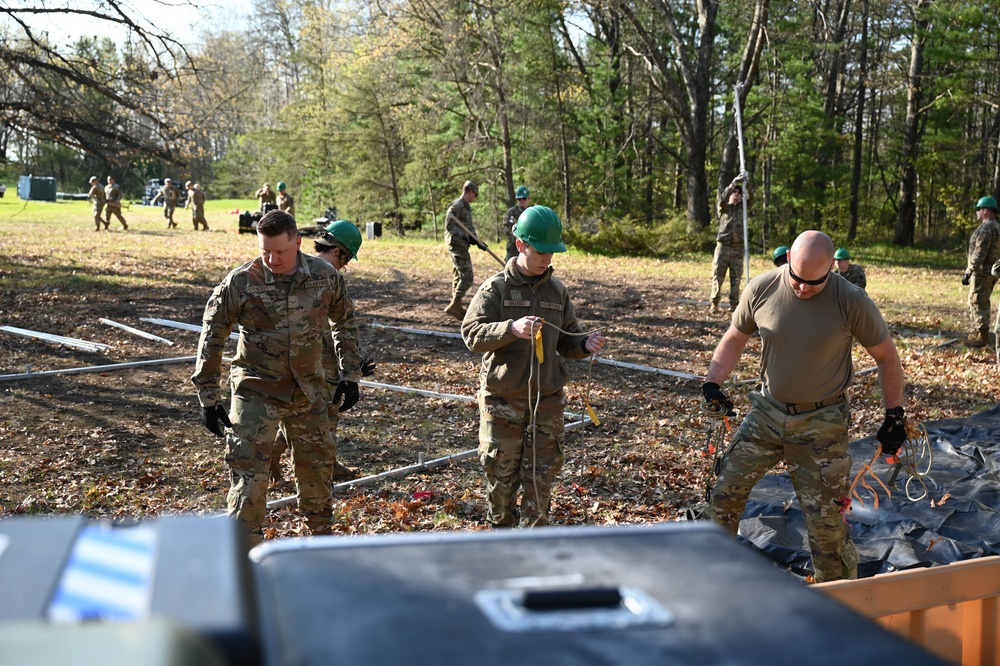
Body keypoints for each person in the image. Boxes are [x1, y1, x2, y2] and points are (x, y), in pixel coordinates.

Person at [701, 230, 906, 583]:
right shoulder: (763, 288)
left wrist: (894, 415)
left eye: (814, 282)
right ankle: (712, 578)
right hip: (767, 411)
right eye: (796, 278)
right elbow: (734, 337)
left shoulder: (851, 300)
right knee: (723, 496)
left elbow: (887, 357)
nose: (802, 288)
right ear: (788, 263)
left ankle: (838, 600)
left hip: (821, 421)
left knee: (825, 523)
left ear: (831, 270)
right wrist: (712, 382)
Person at [192, 209, 362, 546]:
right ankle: (246, 556)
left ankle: (322, 546)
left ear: (298, 243)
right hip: (256, 391)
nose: (272, 259)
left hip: (309, 392)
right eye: (264, 250)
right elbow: (212, 336)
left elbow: (345, 321)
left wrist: (350, 373)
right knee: (249, 481)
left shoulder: (325, 277)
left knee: (317, 474)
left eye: (281, 251)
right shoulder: (241, 282)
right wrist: (208, 397)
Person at [462, 205, 606, 528]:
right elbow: (471, 334)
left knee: (540, 489)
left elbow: (568, 339)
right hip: (503, 403)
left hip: (547, 404)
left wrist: (585, 345)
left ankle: (534, 551)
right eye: (541, 251)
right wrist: (510, 329)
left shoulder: (557, 292)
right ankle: (501, 546)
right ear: (520, 246)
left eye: (552, 252)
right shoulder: (495, 290)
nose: (547, 259)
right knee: (500, 486)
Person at [269, 219, 368, 484]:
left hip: (286, 362)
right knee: (323, 413)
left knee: (298, 412)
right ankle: (318, 466)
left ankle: (321, 460)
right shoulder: (328, 278)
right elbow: (340, 327)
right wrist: (349, 370)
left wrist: (354, 364)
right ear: (338, 252)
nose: (344, 265)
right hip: (318, 363)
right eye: (345, 259)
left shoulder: (294, 267)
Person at [444, 180, 486, 319]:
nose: (475, 197)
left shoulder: (466, 207)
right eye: (475, 194)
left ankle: (456, 304)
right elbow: (450, 227)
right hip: (456, 244)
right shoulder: (456, 206)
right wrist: (466, 237)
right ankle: (455, 303)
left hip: (462, 244)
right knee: (467, 276)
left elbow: (469, 228)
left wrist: (478, 241)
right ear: (469, 191)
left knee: (459, 274)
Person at [962, 196, 1000, 347]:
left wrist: (969, 271)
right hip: (993, 271)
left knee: (977, 300)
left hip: (982, 271)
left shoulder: (986, 229)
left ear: (985, 211)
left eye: (978, 209)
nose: (976, 212)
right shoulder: (997, 227)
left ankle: (982, 336)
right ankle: (979, 332)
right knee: (982, 300)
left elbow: (979, 252)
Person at [710, 174, 748, 312]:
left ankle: (734, 304)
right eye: (734, 192)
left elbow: (751, 198)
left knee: (736, 277)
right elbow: (723, 197)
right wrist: (733, 183)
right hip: (723, 246)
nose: (736, 194)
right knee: (718, 275)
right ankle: (714, 303)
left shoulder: (742, 209)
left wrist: (746, 184)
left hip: (738, 248)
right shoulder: (724, 207)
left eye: (739, 192)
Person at [502, 185, 531, 261]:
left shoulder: (532, 213)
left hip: (529, 249)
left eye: (524, 198)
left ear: (528, 199)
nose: (521, 201)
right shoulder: (511, 212)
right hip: (513, 248)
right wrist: (516, 237)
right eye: (519, 199)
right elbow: (506, 228)